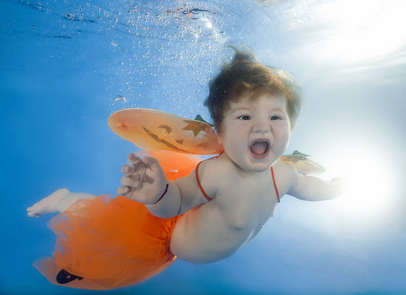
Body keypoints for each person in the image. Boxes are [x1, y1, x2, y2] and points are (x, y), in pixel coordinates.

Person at [27, 48, 344, 290]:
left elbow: (308, 188)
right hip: (163, 240)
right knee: (103, 223)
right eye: (245, 117)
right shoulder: (218, 174)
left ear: (292, 127)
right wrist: (159, 194)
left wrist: (334, 189)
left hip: (188, 239)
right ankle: (64, 200)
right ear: (218, 131)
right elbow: (175, 203)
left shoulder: (284, 175)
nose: (262, 127)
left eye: (276, 118)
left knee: (107, 220)